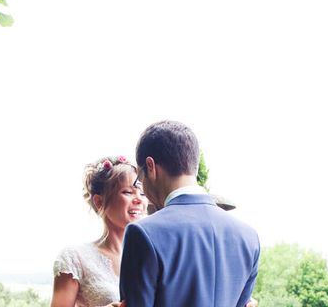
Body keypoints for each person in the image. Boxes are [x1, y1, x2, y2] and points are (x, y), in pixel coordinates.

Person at [119, 120, 261, 307]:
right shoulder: (249, 237)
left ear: (150, 166)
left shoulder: (143, 233)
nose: (142, 187)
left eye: (139, 177)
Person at [51, 155, 147, 307]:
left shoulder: (150, 255)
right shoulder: (75, 258)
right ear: (99, 201)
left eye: (142, 193)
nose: (139, 199)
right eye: (128, 192)